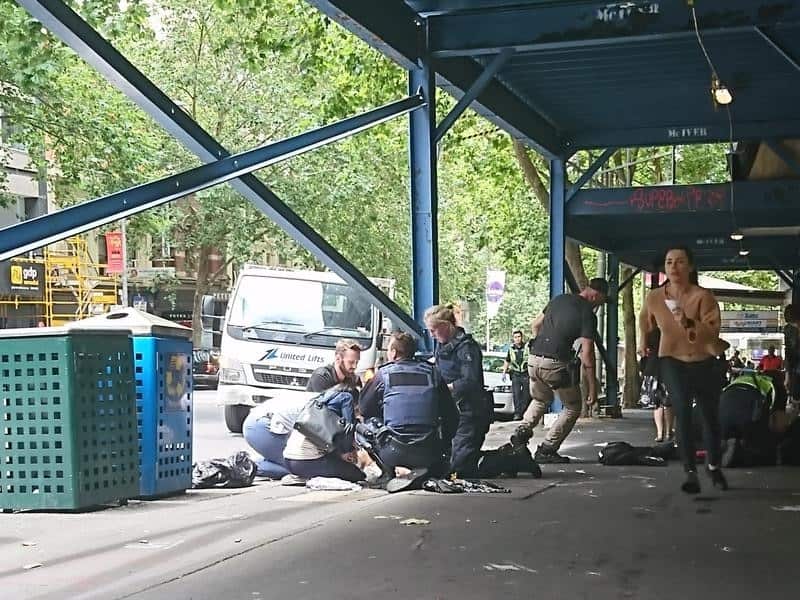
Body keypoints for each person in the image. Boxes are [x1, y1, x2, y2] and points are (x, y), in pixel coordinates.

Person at [639, 246, 728, 494]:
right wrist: (642, 344)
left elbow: (712, 332)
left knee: (710, 417)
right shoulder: (655, 297)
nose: (674, 267)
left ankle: (713, 465)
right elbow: (644, 320)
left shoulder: (703, 296)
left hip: (703, 361)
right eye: (669, 262)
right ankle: (690, 472)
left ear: (690, 267)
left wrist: (687, 322)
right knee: (682, 412)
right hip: (672, 360)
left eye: (680, 262)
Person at [509, 278, 609, 464]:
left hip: (533, 359)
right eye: (601, 302)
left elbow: (535, 325)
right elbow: (587, 354)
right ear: (596, 295)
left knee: (540, 399)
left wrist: (543, 344)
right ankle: (547, 449)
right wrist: (593, 389)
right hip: (555, 364)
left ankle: (521, 432)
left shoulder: (559, 299)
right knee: (572, 407)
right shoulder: (587, 313)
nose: (600, 306)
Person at [358, 331, 459, 484]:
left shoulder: (384, 374)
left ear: (393, 352)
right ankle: (434, 466)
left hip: (393, 451)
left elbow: (364, 408)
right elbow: (451, 414)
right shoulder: (432, 372)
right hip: (429, 450)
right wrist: (443, 445)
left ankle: (387, 473)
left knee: (361, 425)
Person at [424, 304, 488, 478]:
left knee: (458, 469)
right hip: (450, 410)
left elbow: (470, 380)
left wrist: (445, 389)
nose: (432, 335)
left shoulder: (467, 348)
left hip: (470, 412)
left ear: (446, 326)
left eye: (434, 330)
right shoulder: (442, 345)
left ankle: (506, 460)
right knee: (443, 463)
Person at [283, 383, 365, 483]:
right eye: (355, 410)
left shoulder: (316, 407)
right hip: (304, 461)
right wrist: (348, 450)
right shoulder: (343, 402)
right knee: (356, 474)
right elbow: (347, 432)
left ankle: (303, 476)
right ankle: (307, 475)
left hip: (288, 460)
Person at [242, 390, 316, 478]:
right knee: (302, 468)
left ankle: (252, 463)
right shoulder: (325, 410)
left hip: (258, 419)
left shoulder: (323, 398)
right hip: (263, 425)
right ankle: (247, 467)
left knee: (300, 463)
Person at [640, 327, 673, 442]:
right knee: (668, 403)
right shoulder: (670, 329)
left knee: (656, 405)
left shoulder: (648, 331)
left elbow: (642, 350)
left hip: (652, 368)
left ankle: (659, 434)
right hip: (668, 367)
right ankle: (669, 432)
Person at [502, 330, 531, 420]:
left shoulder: (527, 347)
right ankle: (517, 414)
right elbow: (507, 361)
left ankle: (524, 412)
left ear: (522, 337)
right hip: (515, 374)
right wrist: (503, 373)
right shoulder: (511, 349)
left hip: (526, 374)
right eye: (515, 337)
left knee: (526, 395)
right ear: (513, 339)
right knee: (516, 395)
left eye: (519, 337)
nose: (517, 339)